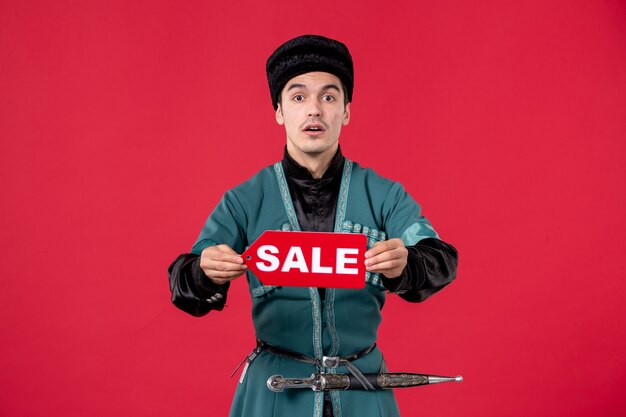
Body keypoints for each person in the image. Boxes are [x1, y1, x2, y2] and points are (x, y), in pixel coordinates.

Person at [168, 34, 458, 417]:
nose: (314, 111)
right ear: (279, 111)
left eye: (329, 97)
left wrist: (407, 265)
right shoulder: (244, 199)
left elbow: (441, 259)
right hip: (272, 394)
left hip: (363, 389)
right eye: (298, 96)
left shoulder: (385, 195)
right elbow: (182, 281)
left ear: (346, 111)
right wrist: (206, 270)